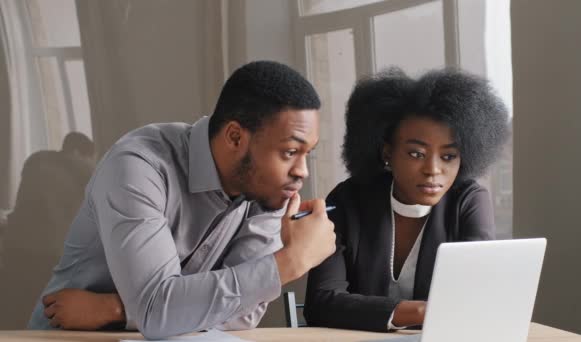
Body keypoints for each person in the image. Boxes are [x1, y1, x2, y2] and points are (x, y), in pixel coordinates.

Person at [27, 61, 336, 339]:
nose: (303, 172)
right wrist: (291, 261)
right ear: (235, 137)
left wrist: (118, 308)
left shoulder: (265, 188)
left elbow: (244, 314)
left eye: (308, 153)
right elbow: (157, 312)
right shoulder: (138, 166)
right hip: (65, 337)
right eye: (290, 152)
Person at [304, 68, 510, 332]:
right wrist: (420, 311)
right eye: (416, 153)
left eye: (448, 156)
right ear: (387, 151)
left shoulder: (467, 200)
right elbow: (320, 303)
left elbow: (474, 299)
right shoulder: (347, 200)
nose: (433, 170)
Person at [0, 132, 96, 329]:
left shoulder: (35, 161)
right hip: (49, 253)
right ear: (78, 152)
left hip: (16, 246)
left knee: (14, 305)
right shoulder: (84, 170)